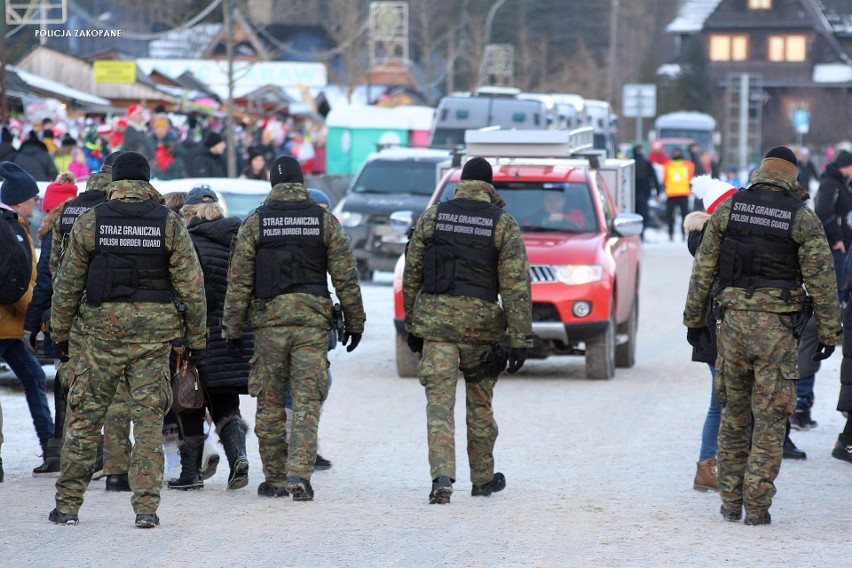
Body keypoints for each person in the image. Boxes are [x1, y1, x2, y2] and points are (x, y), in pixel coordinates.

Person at [683, 146, 841, 526]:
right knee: (769, 420)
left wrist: (693, 320)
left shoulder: (730, 208)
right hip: (777, 330)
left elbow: (703, 268)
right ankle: (756, 506)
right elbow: (822, 278)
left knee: (734, 414)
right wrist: (829, 331)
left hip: (732, 326)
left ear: (761, 171)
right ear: (792, 175)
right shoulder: (801, 217)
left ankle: (730, 502)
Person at [49, 151, 207, 528]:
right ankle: (147, 509)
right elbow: (191, 285)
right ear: (146, 181)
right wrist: (196, 338)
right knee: (148, 423)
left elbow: (67, 284)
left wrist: (59, 334)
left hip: (100, 337)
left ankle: (68, 506)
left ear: (115, 181)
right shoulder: (168, 223)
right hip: (154, 339)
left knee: (85, 421)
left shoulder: (91, 221)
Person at [222, 156, 365, 501]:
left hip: (269, 324)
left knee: (269, 403)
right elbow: (345, 275)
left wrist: (232, 329)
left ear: (272, 183)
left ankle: (274, 478)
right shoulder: (323, 221)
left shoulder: (256, 224)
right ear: (301, 183)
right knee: (306, 402)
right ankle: (300, 473)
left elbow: (239, 282)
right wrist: (355, 322)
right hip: (312, 325)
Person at [402, 157, 533, 504]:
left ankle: (441, 478)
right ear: (490, 187)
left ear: (460, 183)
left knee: (439, 406)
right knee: (480, 403)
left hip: (437, 327)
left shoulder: (433, 217)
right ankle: (482, 478)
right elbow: (516, 286)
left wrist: (411, 324)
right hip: (481, 330)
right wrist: (520, 339)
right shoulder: (502, 223)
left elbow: (411, 274)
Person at [50, 152, 130, 491]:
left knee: (80, 394)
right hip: (120, 315)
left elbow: (57, 270)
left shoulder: (68, 212)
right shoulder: (119, 213)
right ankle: (115, 470)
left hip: (79, 314)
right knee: (118, 395)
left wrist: (61, 323)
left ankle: (73, 467)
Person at [168, 185, 253, 491]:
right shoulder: (240, 238)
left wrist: (181, 334)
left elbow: (189, 294)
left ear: (188, 214)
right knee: (226, 401)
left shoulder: (188, 243)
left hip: (200, 333)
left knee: (189, 399)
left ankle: (190, 474)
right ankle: (239, 458)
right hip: (235, 333)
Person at [0, 162, 56, 468]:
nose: (38, 202)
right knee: (34, 378)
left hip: (12, 326)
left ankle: (50, 448)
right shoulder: (8, 226)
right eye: (33, 197)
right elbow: (16, 283)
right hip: (6, 325)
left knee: (35, 377)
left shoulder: (16, 225)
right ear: (19, 199)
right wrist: (41, 317)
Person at [684, 176, 737, 492]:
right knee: (722, 402)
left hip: (711, 330)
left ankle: (711, 466)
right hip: (718, 330)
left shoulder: (706, 237)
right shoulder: (713, 240)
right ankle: (709, 467)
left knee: (722, 400)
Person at [25, 172, 78, 476]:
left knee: (64, 383)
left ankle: (61, 452)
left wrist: (32, 325)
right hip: (95, 321)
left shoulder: (54, 233)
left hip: (63, 321)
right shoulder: (88, 224)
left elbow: (45, 283)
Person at [283, 188, 336, 470]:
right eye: (320, 209)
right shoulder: (293, 236)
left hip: (315, 319)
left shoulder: (323, 235)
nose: (323, 216)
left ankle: (303, 445)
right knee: (298, 389)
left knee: (320, 383)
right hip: (295, 321)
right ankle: (297, 448)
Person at [813, 150, 852, 296]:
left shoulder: (844, 183)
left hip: (847, 242)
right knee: (839, 286)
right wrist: (837, 238)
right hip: (838, 246)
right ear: (847, 166)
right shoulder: (830, 183)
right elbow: (823, 211)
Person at [662, 148, 695, 241]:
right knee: (673, 215)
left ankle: (682, 233)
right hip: (673, 194)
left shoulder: (687, 165)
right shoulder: (668, 166)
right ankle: (672, 233)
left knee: (683, 214)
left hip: (681, 193)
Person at [633, 144, 660, 238]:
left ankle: (637, 233)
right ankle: (641, 233)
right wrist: (658, 192)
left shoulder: (630, 163)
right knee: (643, 213)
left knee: (635, 213)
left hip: (634, 193)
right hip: (644, 193)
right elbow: (654, 178)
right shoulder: (646, 163)